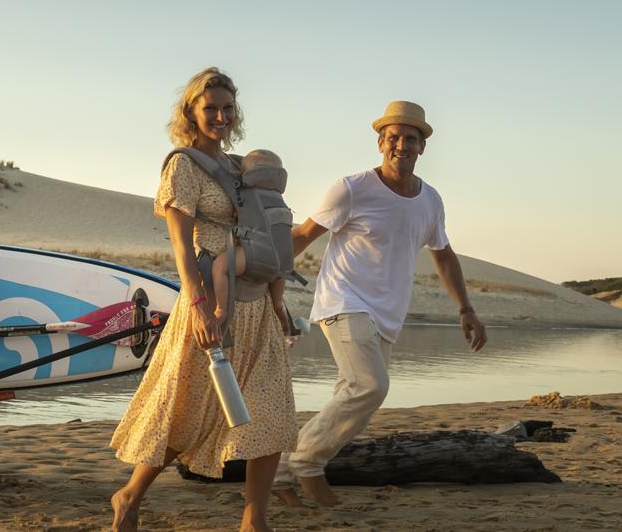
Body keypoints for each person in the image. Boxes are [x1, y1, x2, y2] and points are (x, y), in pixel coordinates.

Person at [273, 100, 489, 508]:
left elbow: (443, 255)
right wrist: (266, 279)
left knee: (355, 392)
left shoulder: (430, 201)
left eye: (411, 138)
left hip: (387, 312)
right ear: (380, 143)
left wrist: (466, 309)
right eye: (393, 137)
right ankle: (307, 464)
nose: (401, 145)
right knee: (370, 385)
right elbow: (302, 236)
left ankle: (282, 474)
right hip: (343, 299)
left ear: (422, 147)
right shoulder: (352, 188)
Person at [110, 68, 298, 532]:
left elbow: (268, 236)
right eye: (210, 107)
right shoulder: (183, 166)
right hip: (211, 305)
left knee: (271, 414)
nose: (220, 116)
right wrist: (197, 306)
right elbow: (180, 245)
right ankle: (130, 496)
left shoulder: (240, 169)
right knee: (189, 412)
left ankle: (255, 519)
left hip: (257, 305)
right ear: (191, 111)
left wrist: (279, 302)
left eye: (227, 108)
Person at [209, 149, 291, 334]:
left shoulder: (247, 194)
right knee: (278, 298)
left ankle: (221, 308)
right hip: (281, 263)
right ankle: (279, 307)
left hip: (254, 256)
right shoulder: (279, 198)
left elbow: (234, 213)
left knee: (220, 267)